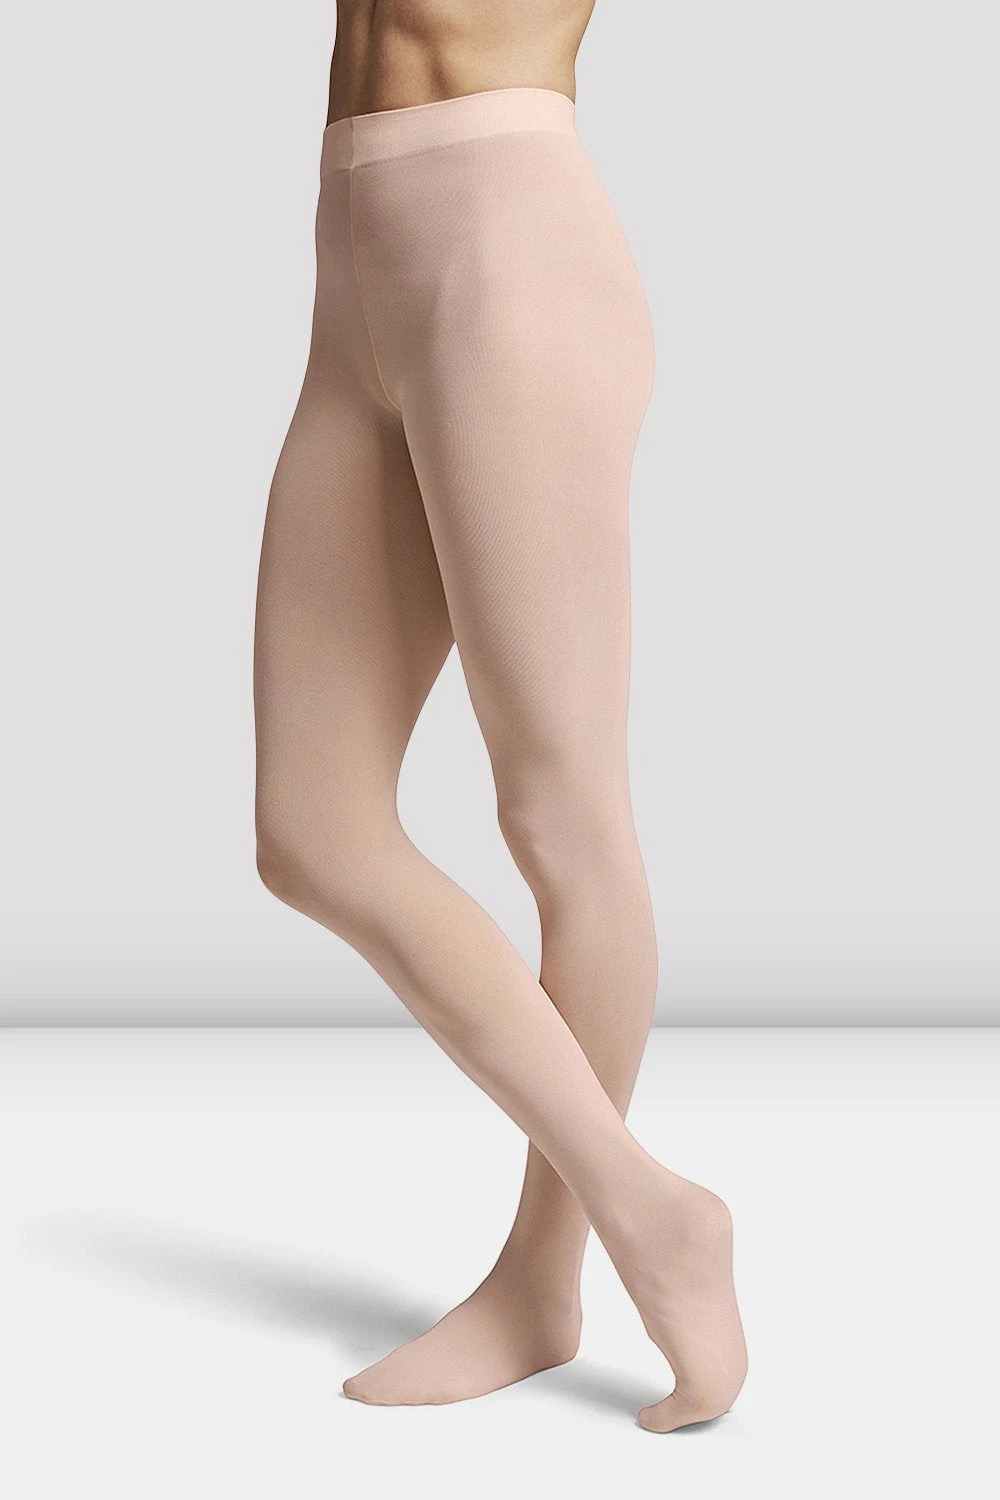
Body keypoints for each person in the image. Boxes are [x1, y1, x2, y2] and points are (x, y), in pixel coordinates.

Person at [253, 0, 747, 1434]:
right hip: (355, 264)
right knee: (310, 831)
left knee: (560, 813)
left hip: (507, 243)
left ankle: (557, 1271)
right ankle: (639, 1203)